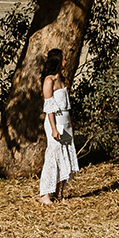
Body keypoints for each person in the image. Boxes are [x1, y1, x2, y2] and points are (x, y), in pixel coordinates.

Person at [37, 47, 78, 203]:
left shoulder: (62, 79)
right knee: (53, 155)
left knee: (65, 155)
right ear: (58, 61)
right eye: (64, 58)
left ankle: (59, 193)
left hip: (65, 121)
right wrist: (54, 128)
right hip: (55, 122)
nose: (66, 61)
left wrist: (70, 125)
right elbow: (49, 107)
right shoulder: (49, 80)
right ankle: (45, 193)